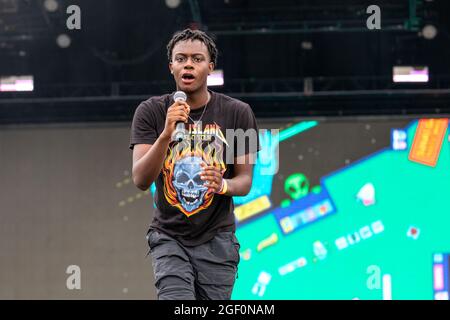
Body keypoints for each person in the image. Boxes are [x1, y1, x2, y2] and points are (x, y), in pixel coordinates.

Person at [129, 28, 260, 300]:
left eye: (197, 59)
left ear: (210, 67)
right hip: (169, 235)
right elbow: (141, 180)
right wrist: (166, 134)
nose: (188, 64)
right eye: (181, 59)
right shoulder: (151, 112)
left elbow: (245, 181)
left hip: (217, 239)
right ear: (171, 67)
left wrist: (222, 184)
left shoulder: (237, 112)